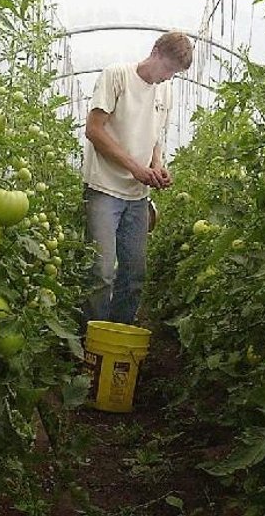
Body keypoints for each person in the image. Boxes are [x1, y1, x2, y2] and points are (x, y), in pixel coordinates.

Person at [80, 31, 193, 326]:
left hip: (137, 197)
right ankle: (92, 343)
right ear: (155, 53)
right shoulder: (116, 77)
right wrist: (135, 168)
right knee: (101, 272)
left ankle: (118, 337)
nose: (169, 78)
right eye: (168, 69)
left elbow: (154, 137)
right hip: (104, 189)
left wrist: (157, 166)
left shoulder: (164, 91)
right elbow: (94, 129)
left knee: (133, 274)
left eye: (174, 74)